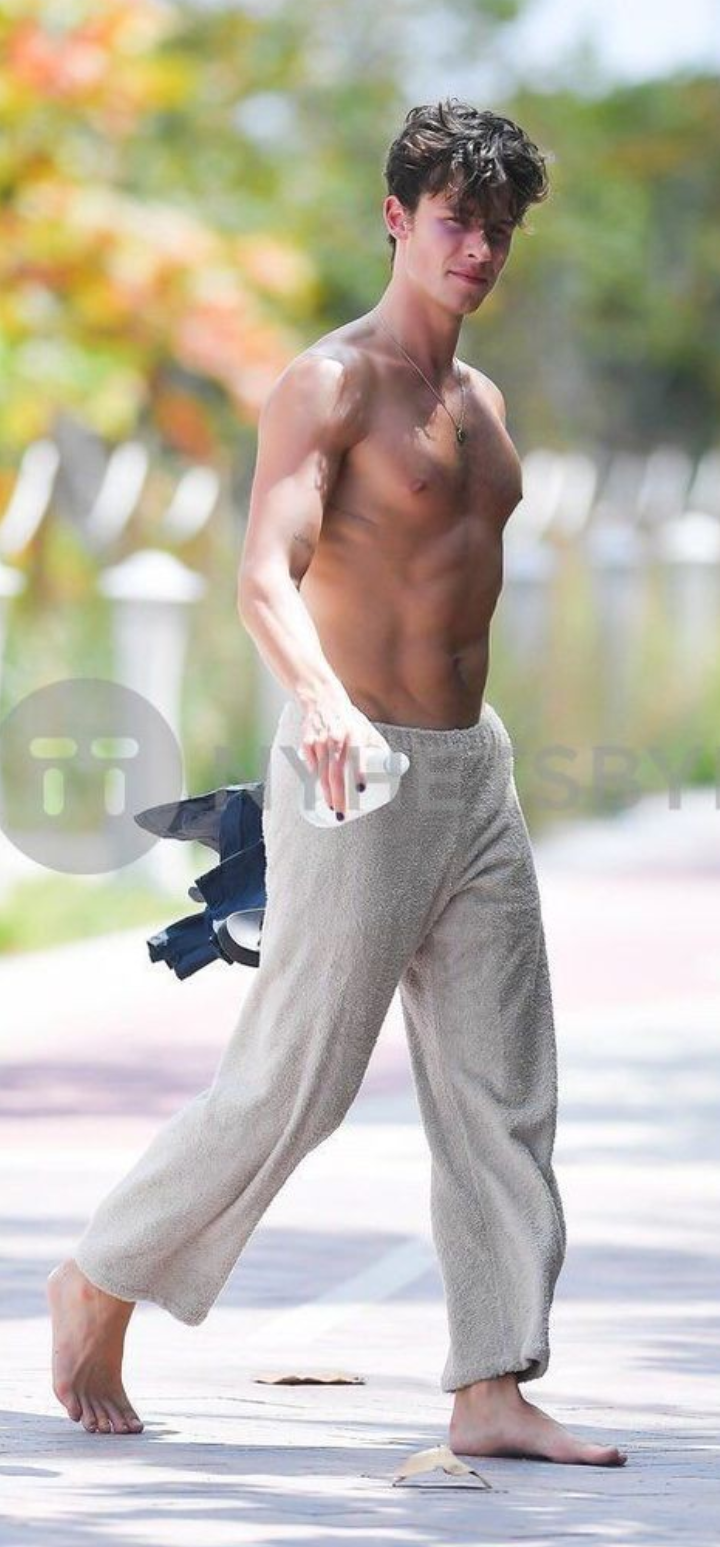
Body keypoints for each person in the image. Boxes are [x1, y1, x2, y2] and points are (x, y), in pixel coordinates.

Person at [48, 97, 627, 1466]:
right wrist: (317, 701)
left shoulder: (483, 405)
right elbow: (266, 571)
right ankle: (102, 1274)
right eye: (455, 220)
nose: (477, 249)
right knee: (295, 1083)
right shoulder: (332, 383)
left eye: (497, 229)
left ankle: (492, 1382)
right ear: (395, 217)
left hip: (474, 772)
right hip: (352, 766)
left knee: (504, 1084)